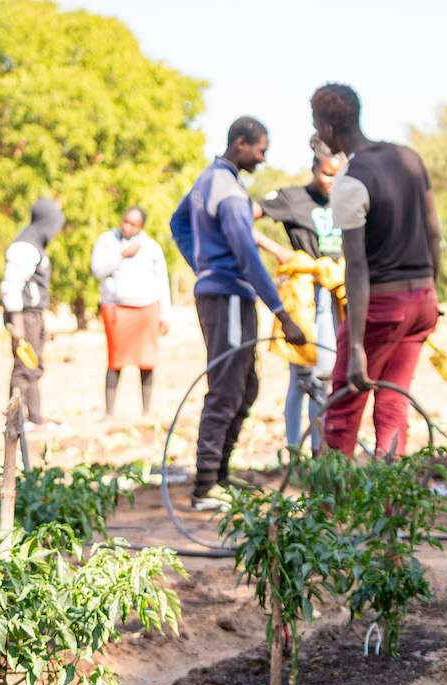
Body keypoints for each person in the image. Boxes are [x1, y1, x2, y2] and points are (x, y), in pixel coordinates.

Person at [171, 117, 306, 511]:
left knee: (246, 386)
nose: (263, 159)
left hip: (225, 291)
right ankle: (205, 487)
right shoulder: (227, 191)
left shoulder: (208, 179)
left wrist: (201, 264)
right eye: (261, 150)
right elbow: (247, 256)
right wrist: (282, 313)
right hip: (228, 296)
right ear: (241, 144)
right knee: (227, 388)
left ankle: (222, 476)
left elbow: (177, 222)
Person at [312, 83, 441, 458]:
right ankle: (391, 507)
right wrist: (434, 293)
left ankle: (327, 512)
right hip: (423, 301)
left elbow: (356, 267)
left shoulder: (350, 184)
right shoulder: (409, 158)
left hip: (384, 307)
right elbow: (434, 233)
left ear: (329, 128)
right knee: (392, 404)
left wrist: (354, 346)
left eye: (318, 126)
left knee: (344, 407)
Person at [254, 136, 345, 451]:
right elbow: (243, 217)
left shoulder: (344, 201)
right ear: (314, 168)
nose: (332, 181)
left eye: (339, 174)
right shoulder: (292, 198)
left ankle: (319, 449)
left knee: (326, 375)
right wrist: (279, 251)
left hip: (334, 293)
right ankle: (294, 448)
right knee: (301, 373)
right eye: (327, 174)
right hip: (304, 295)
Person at [90, 205, 171, 418]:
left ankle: (146, 411)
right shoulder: (107, 242)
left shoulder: (151, 247)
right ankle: (109, 413)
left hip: (146, 309)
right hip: (117, 309)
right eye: (125, 221)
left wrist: (165, 314)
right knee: (115, 361)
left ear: (141, 226)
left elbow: (162, 280)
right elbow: (98, 270)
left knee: (146, 361)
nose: (127, 226)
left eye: (133, 224)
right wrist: (121, 255)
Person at [0, 198, 65, 428]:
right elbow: (11, 286)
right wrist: (17, 324)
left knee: (32, 365)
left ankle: (34, 417)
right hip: (23, 315)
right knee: (23, 367)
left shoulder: (34, 244)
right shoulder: (25, 246)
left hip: (32, 315)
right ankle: (15, 420)